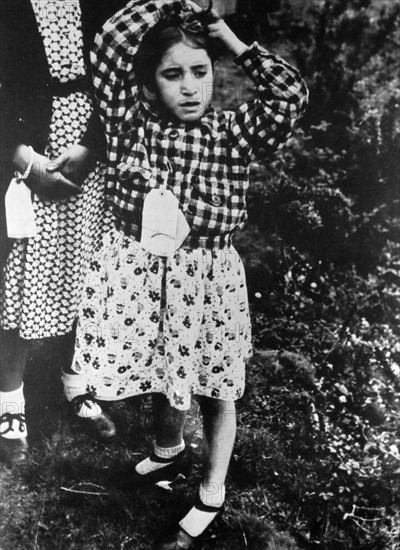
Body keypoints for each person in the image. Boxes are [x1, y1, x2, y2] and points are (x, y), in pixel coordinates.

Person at [72, 0, 308, 547]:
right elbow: (109, 44)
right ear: (150, 85)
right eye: (172, 74)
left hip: (207, 279)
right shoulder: (132, 125)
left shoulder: (234, 132)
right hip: (149, 274)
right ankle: (167, 454)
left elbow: (289, 95)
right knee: (163, 371)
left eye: (199, 72)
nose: (189, 87)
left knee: (213, 389)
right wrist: (174, 4)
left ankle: (211, 492)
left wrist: (225, 34)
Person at [0, 0, 128, 467]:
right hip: (22, 152)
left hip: (86, 151)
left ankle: (76, 381)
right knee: (23, 273)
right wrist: (26, 161)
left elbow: (120, 76)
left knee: (84, 267)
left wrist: (91, 144)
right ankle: (9, 401)